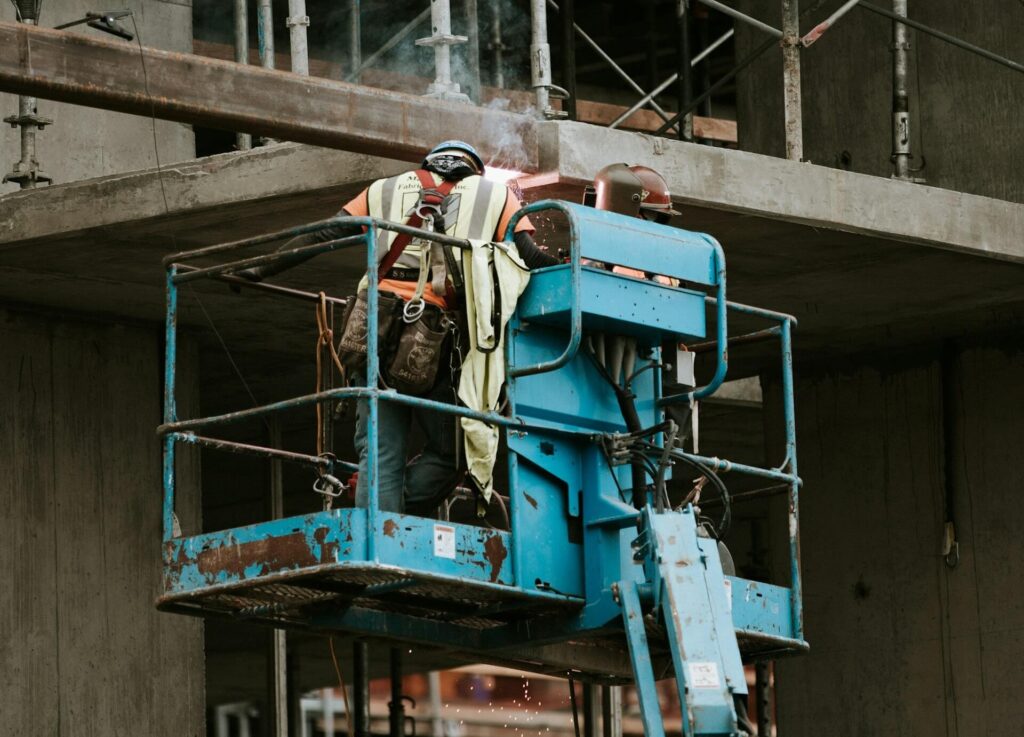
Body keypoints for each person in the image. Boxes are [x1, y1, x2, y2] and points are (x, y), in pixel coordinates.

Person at [241, 140, 557, 516]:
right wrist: (578, 272)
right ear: (474, 168)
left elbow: (326, 233)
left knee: (380, 450)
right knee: (456, 450)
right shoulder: (498, 194)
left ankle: (378, 521)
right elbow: (530, 256)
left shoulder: (384, 188)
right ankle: (393, 517)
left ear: (427, 164)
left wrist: (260, 267)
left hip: (372, 324)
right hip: (433, 334)